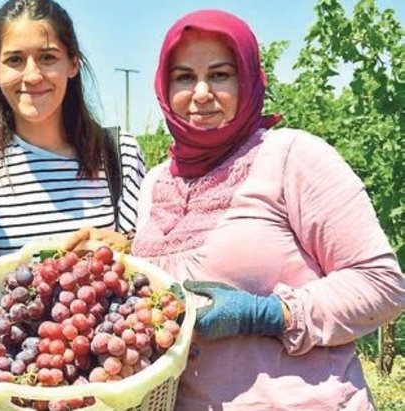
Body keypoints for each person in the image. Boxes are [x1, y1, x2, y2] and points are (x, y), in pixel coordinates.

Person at [127, 9, 404, 410]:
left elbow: (382, 284)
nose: (201, 93)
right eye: (184, 77)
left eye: (220, 75)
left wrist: (268, 314)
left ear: (249, 80)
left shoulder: (291, 156)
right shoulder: (155, 183)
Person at [0, 0, 146, 267]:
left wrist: (124, 248)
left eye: (47, 57)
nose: (33, 75)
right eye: (14, 60)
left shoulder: (120, 155)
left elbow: (148, 268)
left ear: (72, 64)